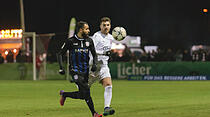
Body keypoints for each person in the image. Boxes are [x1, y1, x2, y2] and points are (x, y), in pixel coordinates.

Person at [57, 21, 102, 117]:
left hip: (85, 70)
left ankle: (65, 94)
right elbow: (60, 54)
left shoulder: (89, 41)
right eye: (87, 29)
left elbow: (94, 54)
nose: (88, 31)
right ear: (81, 30)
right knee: (86, 88)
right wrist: (61, 67)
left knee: (83, 95)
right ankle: (94, 113)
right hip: (75, 70)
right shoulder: (70, 41)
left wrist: (94, 64)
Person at [89, 17, 115, 116]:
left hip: (104, 66)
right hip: (93, 66)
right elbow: (93, 50)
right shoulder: (96, 36)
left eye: (108, 25)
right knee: (83, 92)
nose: (106, 27)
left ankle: (106, 108)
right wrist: (104, 52)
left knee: (108, 85)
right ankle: (65, 94)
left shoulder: (111, 37)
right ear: (100, 26)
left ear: (110, 26)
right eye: (104, 25)